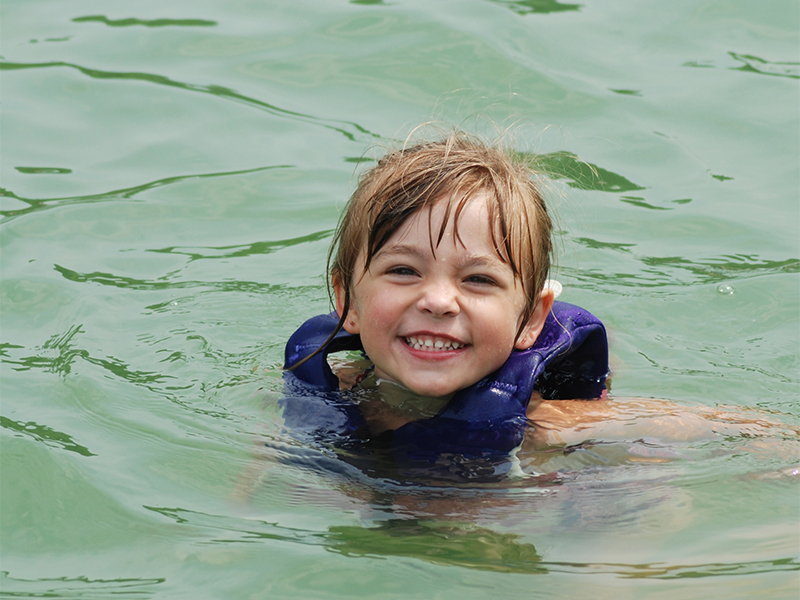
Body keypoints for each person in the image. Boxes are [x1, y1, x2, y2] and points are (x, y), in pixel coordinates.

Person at [281, 131, 609, 477]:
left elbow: (670, 426)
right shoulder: (324, 393)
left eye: (478, 279)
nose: (438, 302)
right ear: (348, 301)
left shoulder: (549, 422)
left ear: (530, 320)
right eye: (404, 270)